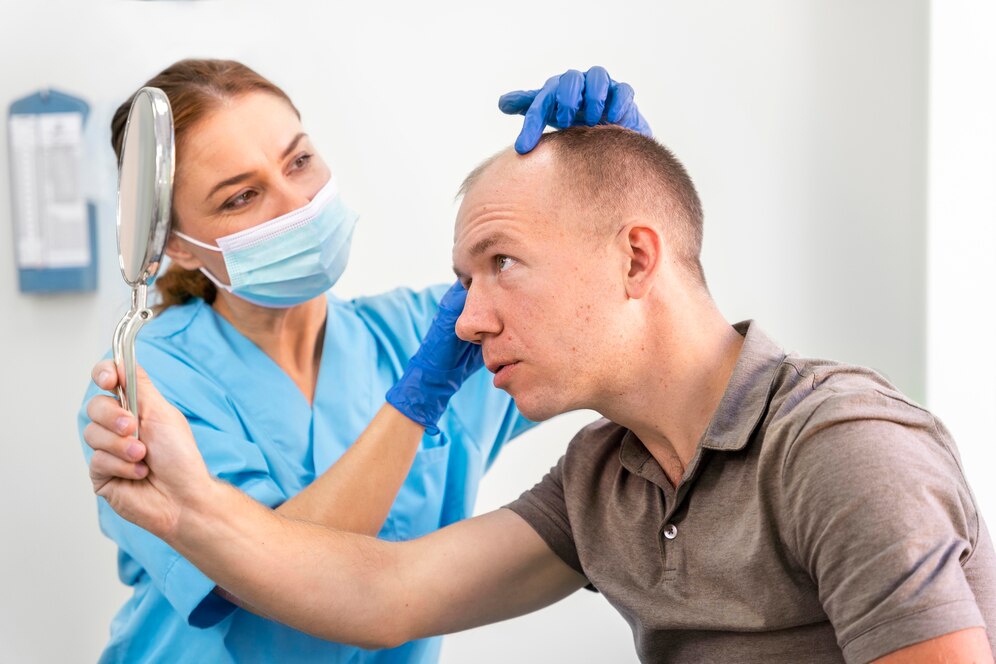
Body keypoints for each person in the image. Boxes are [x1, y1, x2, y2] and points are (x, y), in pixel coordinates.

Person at [84, 125, 996, 663]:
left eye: (502, 264)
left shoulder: (836, 447)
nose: (467, 322)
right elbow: (388, 593)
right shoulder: (605, 480)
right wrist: (187, 506)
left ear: (635, 258)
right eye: (463, 280)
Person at [78, 59, 652, 663]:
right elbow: (258, 573)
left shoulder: (428, 329)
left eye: (299, 161)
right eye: (242, 196)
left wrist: (621, 183)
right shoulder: (146, 388)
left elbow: (611, 330)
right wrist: (415, 402)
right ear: (175, 244)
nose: (295, 204)